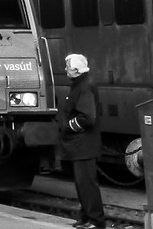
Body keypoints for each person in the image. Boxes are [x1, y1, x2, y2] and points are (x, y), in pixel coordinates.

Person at [59, 53, 105, 229]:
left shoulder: (83, 87)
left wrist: (68, 126)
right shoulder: (80, 85)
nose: (65, 70)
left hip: (83, 145)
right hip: (80, 145)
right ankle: (86, 217)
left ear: (76, 70)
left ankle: (96, 221)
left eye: (68, 67)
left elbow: (88, 117)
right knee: (82, 183)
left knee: (87, 184)